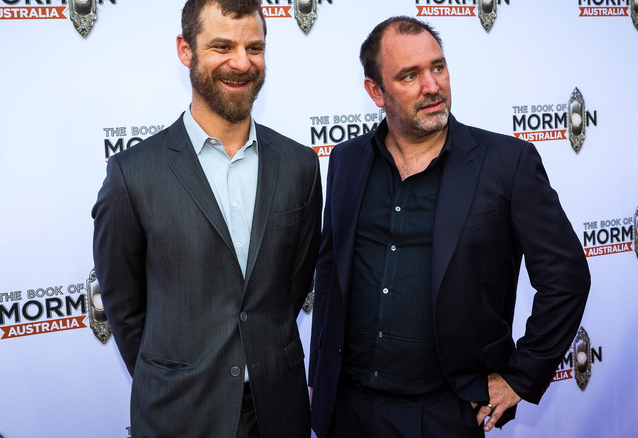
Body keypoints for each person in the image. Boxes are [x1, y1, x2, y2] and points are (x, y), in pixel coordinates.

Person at [308, 16, 590, 438]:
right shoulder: (347, 160)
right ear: (375, 91)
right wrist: (320, 378)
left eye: (437, 67)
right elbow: (329, 274)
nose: (432, 85)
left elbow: (566, 279)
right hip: (347, 410)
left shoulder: (506, 163)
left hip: (445, 413)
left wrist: (519, 376)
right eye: (410, 75)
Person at [92, 1, 321, 436]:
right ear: (185, 50)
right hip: (179, 414)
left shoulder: (301, 166)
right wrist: (177, 375)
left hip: (279, 412)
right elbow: (124, 307)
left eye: (254, 47)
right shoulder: (132, 174)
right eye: (221, 46)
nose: (241, 62)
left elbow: (290, 288)